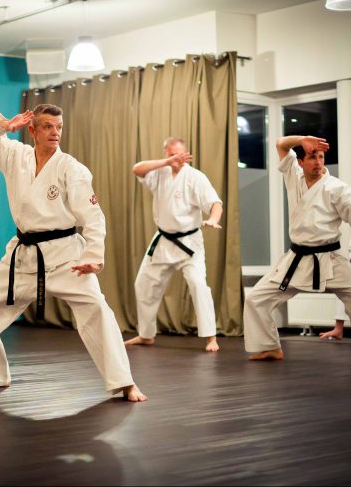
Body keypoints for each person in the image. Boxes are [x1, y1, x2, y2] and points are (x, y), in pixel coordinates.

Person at [0, 104, 147, 402]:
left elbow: (93, 217)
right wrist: (3, 125)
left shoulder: (71, 168)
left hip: (66, 258)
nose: (55, 132)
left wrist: (93, 257)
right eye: (48, 126)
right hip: (23, 256)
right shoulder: (15, 155)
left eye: (59, 127)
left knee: (97, 309)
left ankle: (125, 382)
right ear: (32, 130)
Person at [244, 135, 351, 360]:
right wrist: (303, 139)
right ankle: (270, 346)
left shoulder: (337, 188)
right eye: (312, 157)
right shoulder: (294, 176)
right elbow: (280, 144)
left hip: (329, 260)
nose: (318, 162)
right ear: (300, 162)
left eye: (321, 157)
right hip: (296, 259)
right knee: (256, 299)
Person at [124, 137, 223, 352]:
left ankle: (211, 337)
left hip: (189, 243)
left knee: (198, 284)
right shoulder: (160, 172)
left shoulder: (195, 177)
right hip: (163, 241)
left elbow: (215, 203)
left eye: (180, 154)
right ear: (166, 154)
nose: (176, 158)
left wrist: (213, 219)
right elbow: (137, 169)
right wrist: (166, 162)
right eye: (171, 154)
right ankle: (146, 335)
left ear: (187, 154)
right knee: (143, 285)